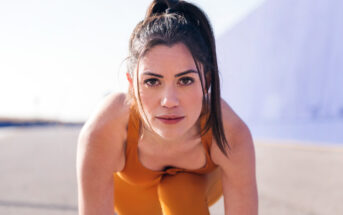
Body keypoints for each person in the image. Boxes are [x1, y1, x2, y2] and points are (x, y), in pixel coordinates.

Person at [76, 0, 258, 214]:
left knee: (179, 190)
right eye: (152, 81)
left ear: (206, 82)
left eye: (185, 80)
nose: (169, 101)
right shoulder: (105, 129)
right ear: (131, 84)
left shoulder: (230, 132)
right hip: (133, 199)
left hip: (195, 195)